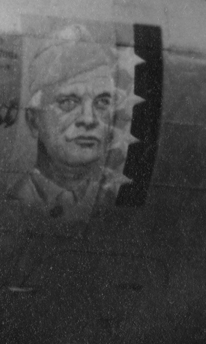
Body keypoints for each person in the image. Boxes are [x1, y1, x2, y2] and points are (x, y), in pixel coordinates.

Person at [10, 25, 130, 220]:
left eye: (102, 103)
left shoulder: (114, 195)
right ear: (34, 121)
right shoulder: (18, 197)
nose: (89, 120)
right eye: (68, 102)